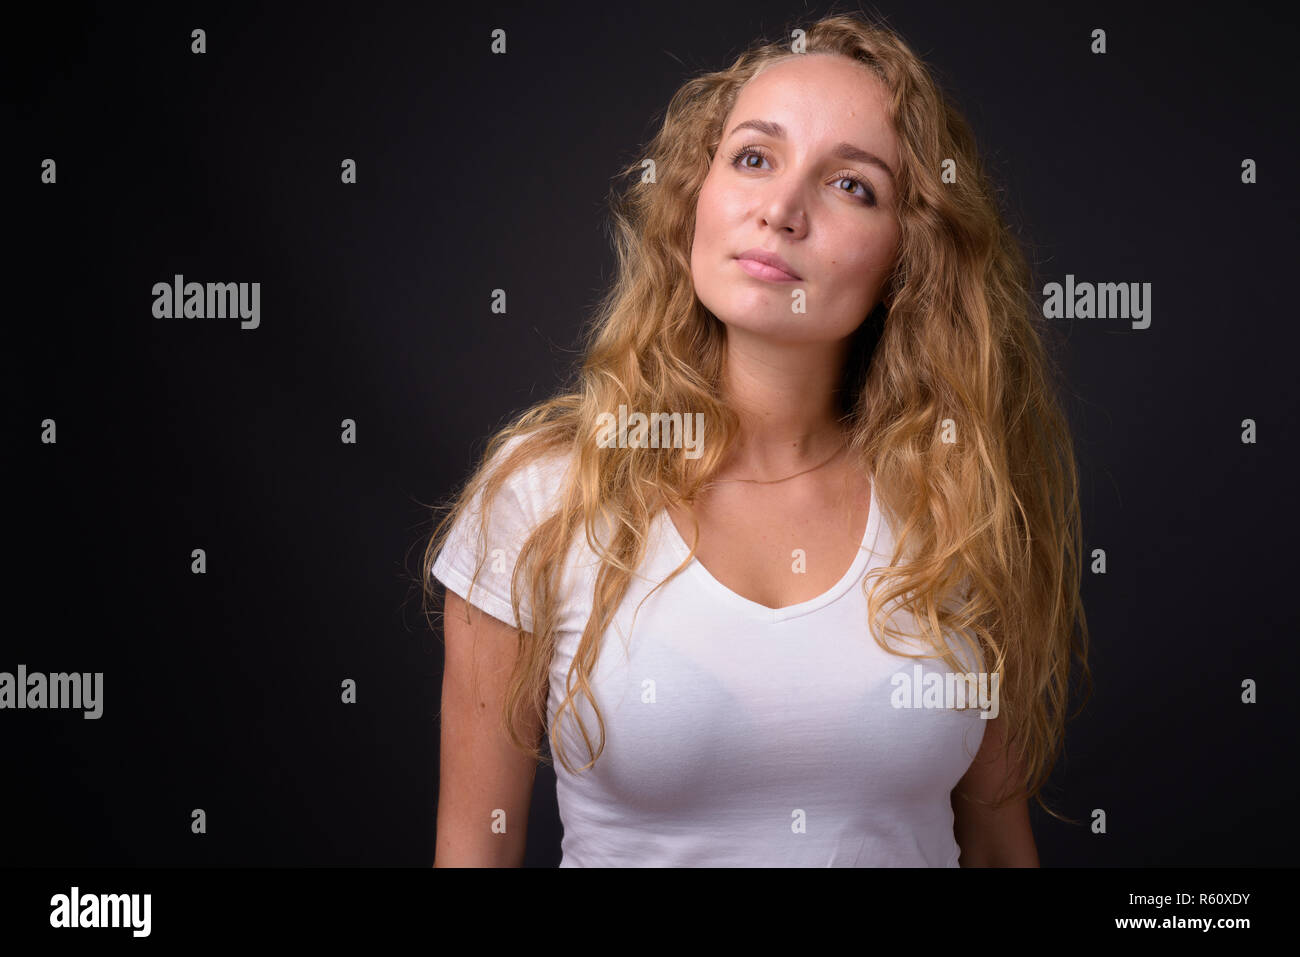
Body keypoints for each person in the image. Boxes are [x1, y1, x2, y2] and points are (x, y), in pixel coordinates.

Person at [422, 12, 1091, 867]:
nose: (781, 209)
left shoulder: (961, 500)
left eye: (852, 185)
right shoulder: (542, 498)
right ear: (696, 194)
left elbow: (998, 845)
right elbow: (471, 853)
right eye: (753, 157)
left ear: (908, 260)